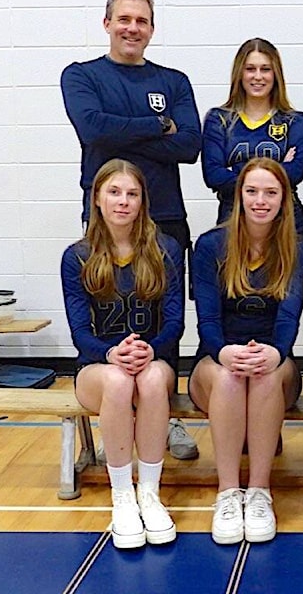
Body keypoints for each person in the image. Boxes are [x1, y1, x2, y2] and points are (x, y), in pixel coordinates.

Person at [60, 0, 201, 462]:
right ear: (107, 24)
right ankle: (119, 409)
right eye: (124, 19)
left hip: (165, 214)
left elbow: (190, 146)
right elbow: (92, 130)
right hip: (108, 222)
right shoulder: (81, 76)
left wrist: (121, 132)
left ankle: (165, 413)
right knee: (109, 305)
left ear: (152, 29)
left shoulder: (174, 81)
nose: (132, 28)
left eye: (141, 21)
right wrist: (159, 126)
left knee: (165, 319)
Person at [60, 159, 183, 550]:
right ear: (97, 198)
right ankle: (122, 496)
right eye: (114, 192)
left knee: (147, 379)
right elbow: (81, 334)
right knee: (117, 379)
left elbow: (175, 324)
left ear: (143, 201)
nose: (123, 202)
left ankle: (149, 492)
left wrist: (150, 349)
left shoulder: (166, 249)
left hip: (154, 362)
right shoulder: (76, 256)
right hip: (98, 368)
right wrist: (112, 353)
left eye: (132, 194)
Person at [188, 157, 303, 545]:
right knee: (228, 378)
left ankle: (259, 493)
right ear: (239, 196)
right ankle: (227, 494)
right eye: (252, 191)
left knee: (265, 374)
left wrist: (274, 353)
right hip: (216, 362)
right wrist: (225, 353)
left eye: (271, 192)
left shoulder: (298, 248)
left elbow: (289, 318)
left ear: (284, 199)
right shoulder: (210, 245)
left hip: (274, 364)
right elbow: (206, 322)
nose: (261, 200)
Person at [201, 38, 303, 244]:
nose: (258, 76)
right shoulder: (219, 119)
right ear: (239, 73)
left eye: (266, 69)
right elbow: (213, 175)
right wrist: (279, 169)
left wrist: (236, 172)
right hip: (232, 220)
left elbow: (296, 173)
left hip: (287, 222)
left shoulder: (294, 121)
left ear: (275, 74)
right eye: (250, 69)